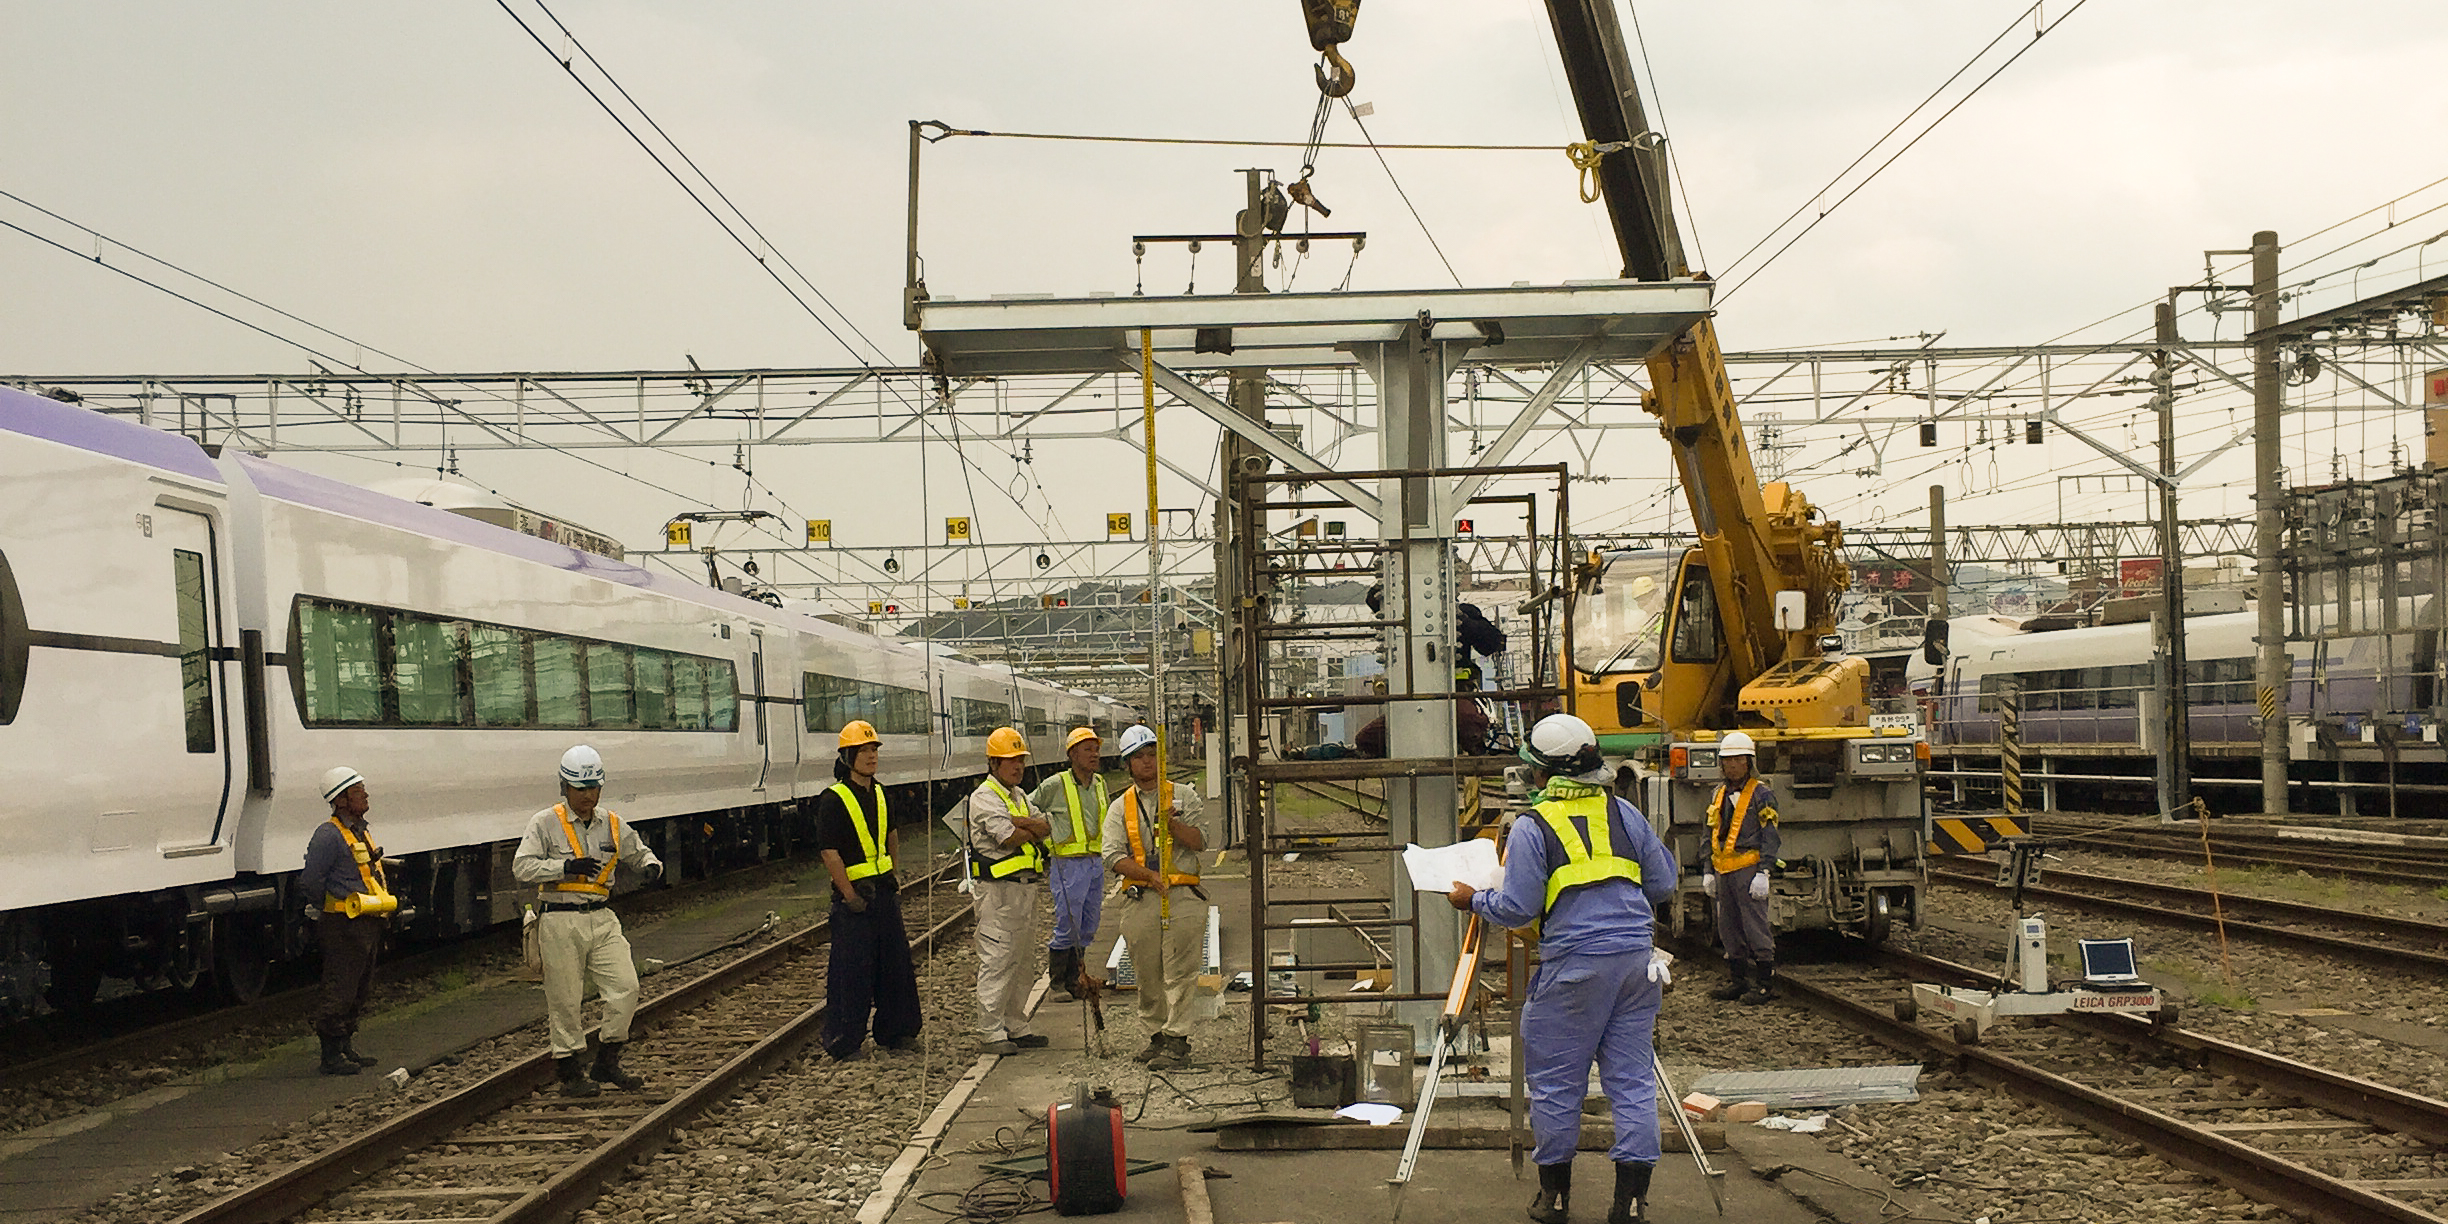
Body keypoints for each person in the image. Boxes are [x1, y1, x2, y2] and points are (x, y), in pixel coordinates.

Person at [1447, 713, 1677, 1224]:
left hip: (1574, 966)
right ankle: (1632, 1204)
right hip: (1636, 965)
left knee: (1555, 1083)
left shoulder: (1535, 824)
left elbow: (1518, 907)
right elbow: (1662, 885)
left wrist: (1473, 899)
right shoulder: (1623, 813)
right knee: (1634, 1082)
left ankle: (1554, 1198)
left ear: (1544, 774)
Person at [513, 745, 665, 1097]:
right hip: (559, 919)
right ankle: (569, 1073)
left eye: (594, 788)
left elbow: (637, 850)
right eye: (580, 789)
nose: (588, 796)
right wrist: (563, 867)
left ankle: (606, 1060)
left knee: (626, 986)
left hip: (601, 917)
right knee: (565, 999)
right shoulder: (544, 823)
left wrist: (651, 866)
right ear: (564, 787)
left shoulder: (611, 823)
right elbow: (522, 867)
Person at [813, 720, 922, 1061]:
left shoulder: (881, 793)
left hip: (883, 893)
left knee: (896, 966)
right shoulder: (833, 799)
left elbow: (891, 836)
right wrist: (849, 895)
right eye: (864, 751)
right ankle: (845, 1042)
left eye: (874, 750)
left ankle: (898, 1031)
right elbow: (829, 852)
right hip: (855, 899)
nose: (872, 756)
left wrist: (894, 874)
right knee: (851, 972)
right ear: (848, 757)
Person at [1101, 724, 1207, 1071]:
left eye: (1151, 756)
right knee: (1147, 972)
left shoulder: (1184, 797)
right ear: (1128, 764)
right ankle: (1156, 1036)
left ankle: (1177, 1040)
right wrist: (1148, 876)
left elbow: (1201, 841)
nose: (1147, 763)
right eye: (1139, 758)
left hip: (1182, 895)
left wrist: (1173, 825)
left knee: (1181, 970)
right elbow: (1112, 855)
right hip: (1141, 896)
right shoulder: (1120, 807)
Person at [301, 766, 393, 1076]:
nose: (365, 795)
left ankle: (344, 1046)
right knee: (340, 986)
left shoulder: (360, 830)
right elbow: (311, 880)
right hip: (342, 924)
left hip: (365, 921)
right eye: (358, 792)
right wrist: (328, 907)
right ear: (341, 800)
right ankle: (330, 1053)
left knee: (359, 987)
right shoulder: (328, 835)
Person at [965, 727, 1051, 1055]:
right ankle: (990, 1031)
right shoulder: (984, 797)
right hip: (997, 893)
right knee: (998, 958)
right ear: (993, 763)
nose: (1017, 767)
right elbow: (1007, 838)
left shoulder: (1018, 796)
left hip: (1023, 890)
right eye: (1010, 761)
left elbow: (1045, 827)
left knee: (1023, 960)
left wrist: (1022, 822)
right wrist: (1025, 825)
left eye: (1020, 761)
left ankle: (1016, 1024)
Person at [1700, 730, 1782, 1004]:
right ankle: (1737, 980)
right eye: (1728, 760)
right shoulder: (1718, 794)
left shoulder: (1762, 794)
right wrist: (1707, 870)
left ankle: (1764, 983)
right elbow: (1708, 831)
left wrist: (1764, 870)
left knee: (1755, 924)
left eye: (1738, 760)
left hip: (1749, 866)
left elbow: (1770, 833)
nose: (1732, 765)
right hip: (1723, 869)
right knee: (1728, 926)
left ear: (1748, 762)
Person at [1030, 726, 1109, 1001]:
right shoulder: (1056, 784)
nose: (1094, 754)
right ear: (1072, 754)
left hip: (1094, 863)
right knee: (1069, 922)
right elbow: (1028, 806)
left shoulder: (1100, 783)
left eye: (1096, 749)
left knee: (1089, 924)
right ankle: (1057, 983)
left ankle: (1077, 979)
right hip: (1067, 864)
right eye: (1088, 749)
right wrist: (1045, 829)